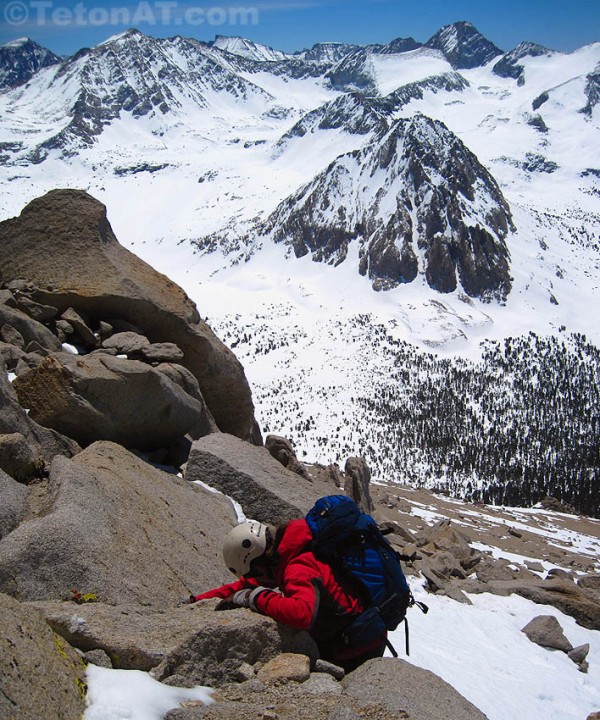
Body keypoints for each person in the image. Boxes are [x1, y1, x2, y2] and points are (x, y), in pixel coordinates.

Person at [190, 517, 387, 672]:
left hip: (354, 649)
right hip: (349, 632)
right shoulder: (288, 547)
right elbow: (244, 584)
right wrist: (197, 600)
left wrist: (255, 597)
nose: (256, 580)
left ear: (261, 563)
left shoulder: (299, 566)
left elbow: (301, 614)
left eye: (255, 573)